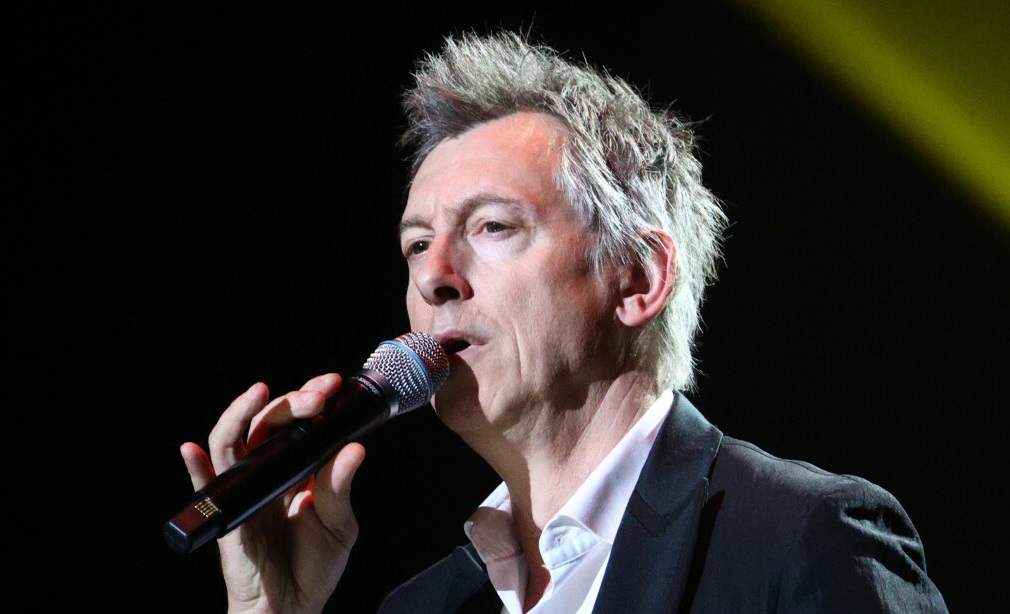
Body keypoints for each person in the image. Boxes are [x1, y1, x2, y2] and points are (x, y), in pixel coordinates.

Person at [180, 31, 948, 613]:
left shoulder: (799, 536)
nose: (433, 275)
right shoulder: (428, 605)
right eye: (415, 244)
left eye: (492, 226)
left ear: (638, 278)